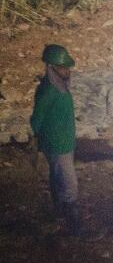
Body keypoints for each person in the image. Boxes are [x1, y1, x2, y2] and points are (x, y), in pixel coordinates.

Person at [29, 45, 87, 237]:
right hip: (57, 143)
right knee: (69, 184)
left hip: (63, 141)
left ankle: (59, 216)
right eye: (62, 67)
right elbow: (37, 119)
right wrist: (37, 137)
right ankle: (75, 228)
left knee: (57, 177)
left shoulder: (58, 87)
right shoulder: (49, 91)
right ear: (51, 67)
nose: (66, 71)